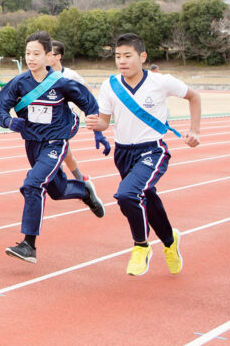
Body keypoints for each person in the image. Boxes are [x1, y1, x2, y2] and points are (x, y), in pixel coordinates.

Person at [86, 33, 201, 276]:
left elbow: (194, 96)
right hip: (123, 153)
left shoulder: (161, 82)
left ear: (143, 56)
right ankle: (170, 242)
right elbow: (105, 122)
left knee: (127, 195)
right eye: (118, 56)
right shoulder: (110, 85)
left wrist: (194, 131)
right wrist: (95, 123)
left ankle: (141, 246)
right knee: (147, 198)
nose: (122, 61)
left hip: (152, 150)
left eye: (128, 56)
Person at [0, 31, 108, 264]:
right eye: (27, 53)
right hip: (32, 143)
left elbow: (90, 104)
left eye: (36, 53)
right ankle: (84, 191)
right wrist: (9, 122)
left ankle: (29, 245)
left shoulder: (62, 83)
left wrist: (97, 131)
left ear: (48, 56)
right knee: (56, 191)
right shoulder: (19, 83)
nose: (31, 58)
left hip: (56, 142)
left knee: (33, 184)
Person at [48, 40, 110, 185]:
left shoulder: (70, 75)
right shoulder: (40, 74)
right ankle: (81, 180)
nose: (46, 57)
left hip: (66, 119)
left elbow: (88, 94)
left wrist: (97, 130)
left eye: (50, 54)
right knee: (66, 154)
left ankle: (57, 178)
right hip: (47, 120)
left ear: (59, 56)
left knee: (55, 147)